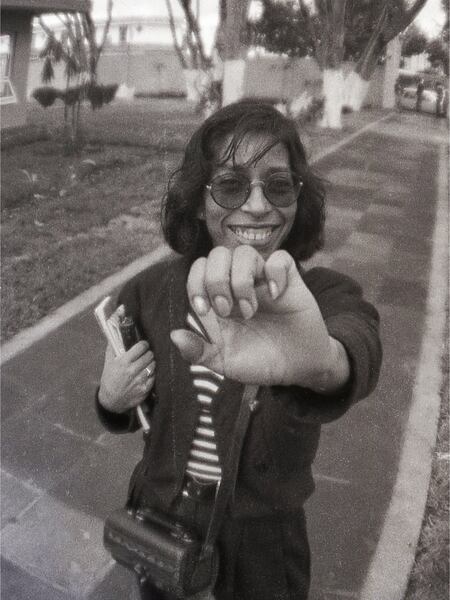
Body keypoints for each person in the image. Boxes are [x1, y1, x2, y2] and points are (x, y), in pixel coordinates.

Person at [96, 100, 382, 600]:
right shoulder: (149, 293)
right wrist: (110, 400)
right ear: (197, 199)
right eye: (230, 184)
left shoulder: (322, 298)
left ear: (299, 198)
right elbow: (130, 404)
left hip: (263, 542)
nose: (256, 205)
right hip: (160, 515)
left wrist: (322, 363)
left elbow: (357, 341)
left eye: (278, 184)